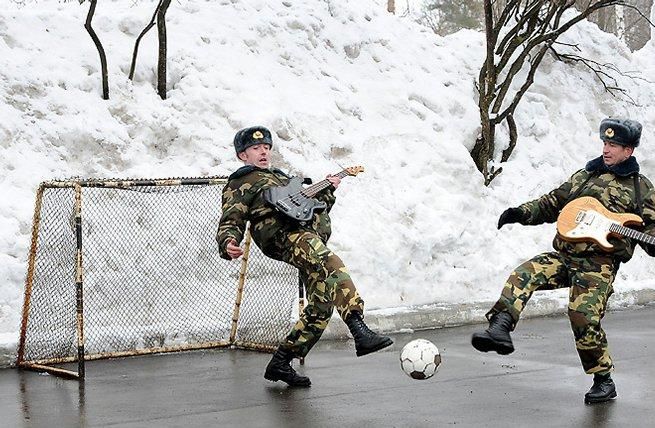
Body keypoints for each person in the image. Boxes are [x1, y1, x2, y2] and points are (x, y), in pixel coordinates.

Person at [471, 118, 655, 404]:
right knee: (525, 273)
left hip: (599, 264)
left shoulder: (641, 188)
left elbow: (650, 228)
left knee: (582, 315)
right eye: (605, 143)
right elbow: (552, 203)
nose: (606, 149)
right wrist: (520, 213)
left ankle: (603, 379)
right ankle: (500, 328)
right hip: (565, 255)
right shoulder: (585, 175)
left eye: (614, 145)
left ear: (629, 150)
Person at [217, 125, 393, 387]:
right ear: (243, 155)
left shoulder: (281, 177)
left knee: (321, 303)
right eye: (256, 149)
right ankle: (358, 327)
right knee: (330, 262)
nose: (263, 152)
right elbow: (231, 217)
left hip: (303, 234)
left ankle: (281, 361)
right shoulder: (241, 182)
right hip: (281, 236)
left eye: (266, 148)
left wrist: (328, 190)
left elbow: (307, 209)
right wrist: (229, 241)